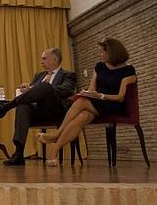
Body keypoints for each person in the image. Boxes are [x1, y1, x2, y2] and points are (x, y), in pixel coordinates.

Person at [38, 38, 136, 166]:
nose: (99, 54)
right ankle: (54, 153)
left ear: (112, 52)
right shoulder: (99, 66)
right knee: (82, 116)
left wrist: (100, 96)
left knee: (81, 102)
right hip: (95, 103)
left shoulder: (128, 71)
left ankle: (57, 133)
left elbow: (120, 97)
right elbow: (92, 88)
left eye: (102, 52)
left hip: (113, 104)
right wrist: (88, 93)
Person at [0, 48, 77, 166]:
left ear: (55, 59)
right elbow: (32, 95)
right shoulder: (39, 75)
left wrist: (42, 88)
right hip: (39, 110)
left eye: (44, 58)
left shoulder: (68, 74)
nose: (41, 62)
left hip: (57, 110)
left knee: (45, 86)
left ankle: (5, 107)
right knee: (23, 106)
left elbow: (66, 90)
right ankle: (19, 154)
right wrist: (28, 88)